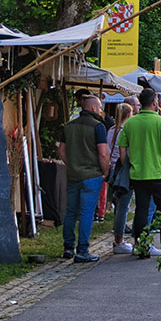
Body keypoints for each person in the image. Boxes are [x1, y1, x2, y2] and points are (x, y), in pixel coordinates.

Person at [118, 88, 161, 258]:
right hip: (158, 172)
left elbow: (122, 147)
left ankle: (142, 246)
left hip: (138, 174)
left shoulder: (131, 122)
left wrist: (127, 164)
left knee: (141, 210)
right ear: (154, 102)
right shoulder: (160, 121)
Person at [58, 95, 110, 263]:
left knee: (70, 212)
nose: (101, 111)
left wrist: (72, 164)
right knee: (86, 213)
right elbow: (103, 153)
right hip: (92, 175)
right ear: (93, 108)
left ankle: (68, 247)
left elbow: (61, 151)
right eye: (100, 107)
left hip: (73, 174)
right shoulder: (98, 126)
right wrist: (105, 172)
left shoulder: (69, 126)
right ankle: (82, 250)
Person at [107, 102, 135, 254]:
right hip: (122, 170)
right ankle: (119, 240)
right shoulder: (126, 131)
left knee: (118, 205)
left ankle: (118, 236)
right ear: (129, 114)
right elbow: (125, 154)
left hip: (112, 169)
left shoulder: (112, 130)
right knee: (123, 206)